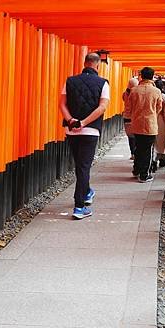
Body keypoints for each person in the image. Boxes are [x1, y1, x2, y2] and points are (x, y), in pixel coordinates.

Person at [59, 53, 110, 219]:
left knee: (80, 165)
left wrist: (71, 120)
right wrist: (85, 122)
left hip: (71, 131)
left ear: (85, 63)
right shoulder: (103, 83)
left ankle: (87, 192)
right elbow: (102, 107)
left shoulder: (70, 81)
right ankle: (79, 206)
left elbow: (62, 104)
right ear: (97, 65)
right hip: (90, 131)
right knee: (84, 166)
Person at [124, 66, 162, 183]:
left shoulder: (134, 90)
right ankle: (144, 174)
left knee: (138, 147)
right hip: (150, 124)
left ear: (141, 76)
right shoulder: (156, 91)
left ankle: (136, 170)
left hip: (136, 123)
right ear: (152, 76)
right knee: (148, 149)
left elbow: (128, 107)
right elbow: (159, 107)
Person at [152, 79, 165, 169]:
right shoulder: (164, 98)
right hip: (162, 122)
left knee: (154, 142)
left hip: (152, 119)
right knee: (162, 142)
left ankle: (153, 161)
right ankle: (162, 160)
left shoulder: (151, 96)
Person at [122, 77, 139, 159]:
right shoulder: (136, 94)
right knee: (137, 136)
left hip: (127, 117)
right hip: (135, 117)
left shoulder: (125, 94)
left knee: (130, 136)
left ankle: (132, 153)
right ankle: (136, 153)